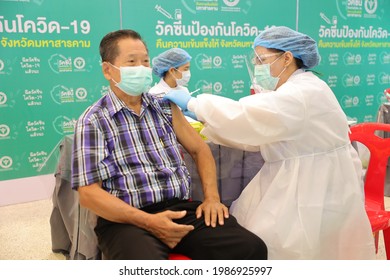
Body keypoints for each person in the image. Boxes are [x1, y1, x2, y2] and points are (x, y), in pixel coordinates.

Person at [163, 26, 376, 260]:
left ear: (287, 57)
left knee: (293, 246)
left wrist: (195, 104)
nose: (258, 66)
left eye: (262, 59)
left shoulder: (301, 93)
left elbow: (247, 116)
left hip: (311, 184)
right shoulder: (298, 88)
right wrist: (206, 120)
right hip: (306, 176)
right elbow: (260, 131)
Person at [71, 29, 267, 260]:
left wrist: (212, 198)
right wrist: (150, 222)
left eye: (145, 61)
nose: (142, 68)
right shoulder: (94, 120)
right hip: (127, 219)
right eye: (131, 62)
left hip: (180, 208)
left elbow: (199, 149)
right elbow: (88, 194)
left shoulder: (165, 107)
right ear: (107, 70)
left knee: (251, 248)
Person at [150, 48, 197, 121]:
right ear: (172, 70)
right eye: (185, 69)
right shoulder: (154, 94)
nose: (188, 73)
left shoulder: (184, 90)